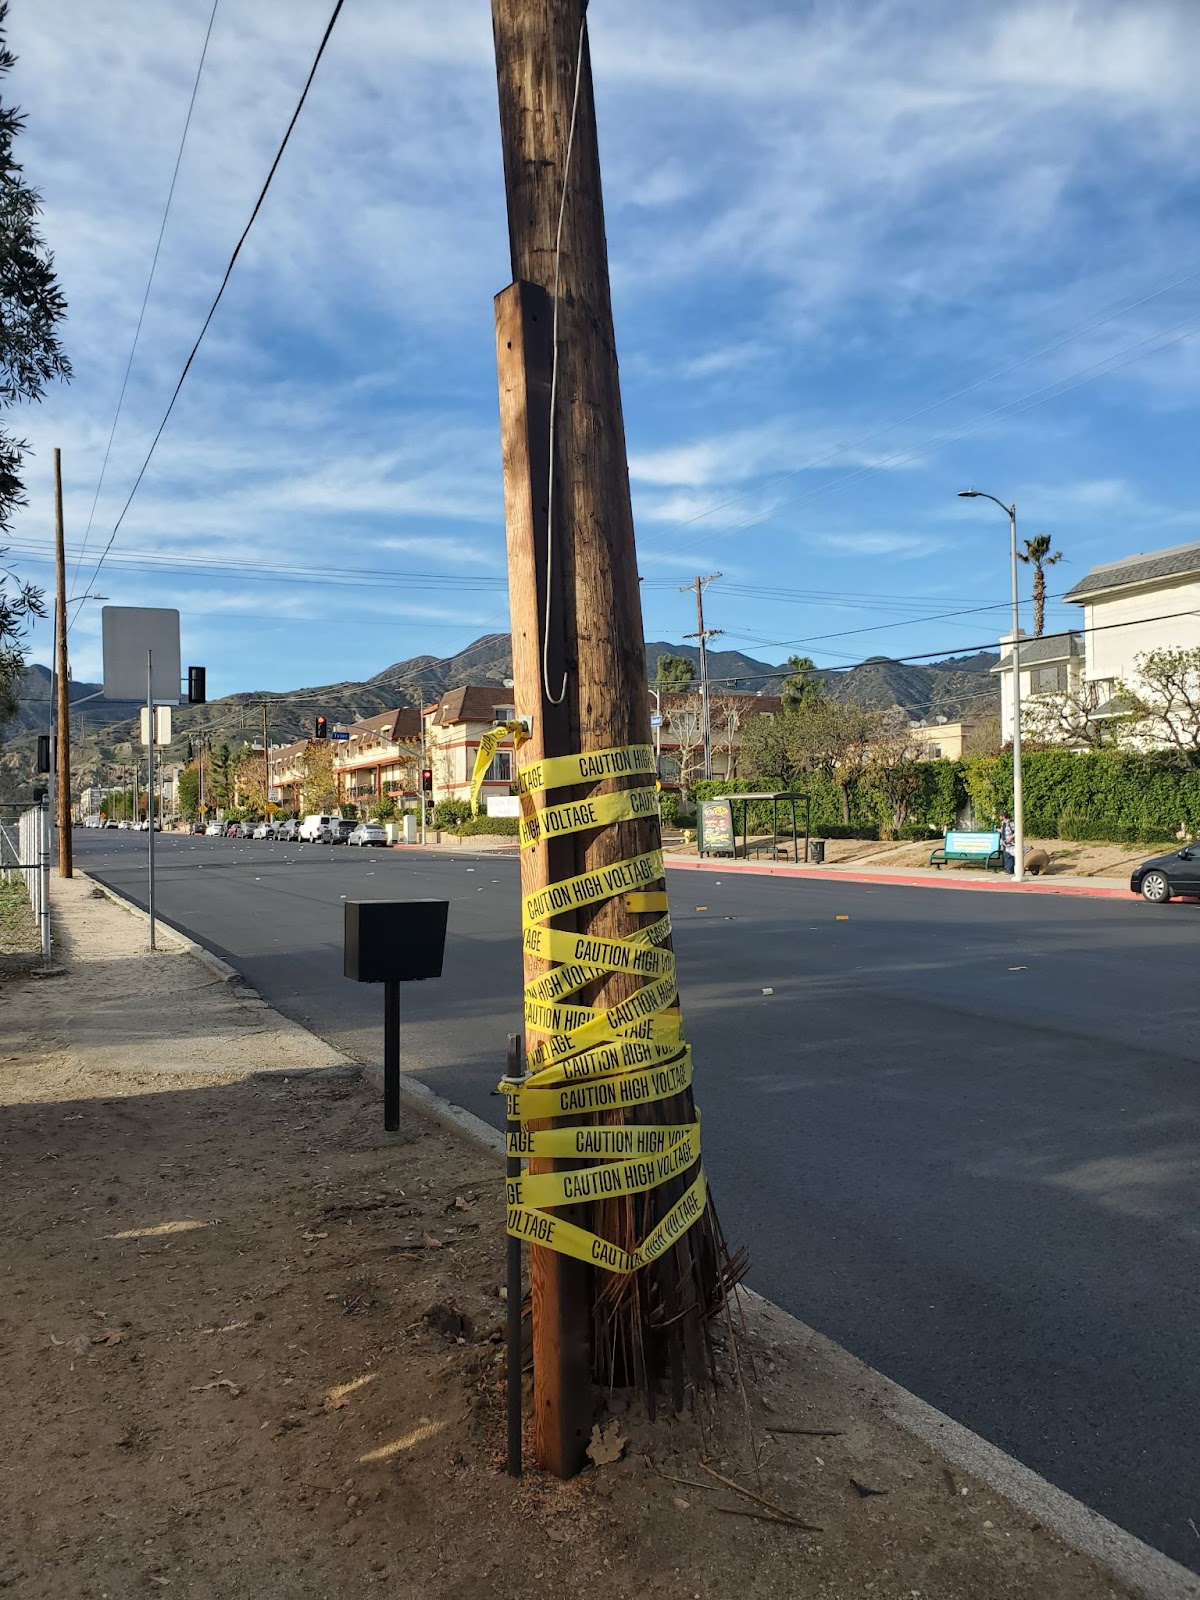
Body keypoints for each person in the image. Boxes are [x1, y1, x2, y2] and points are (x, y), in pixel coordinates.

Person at [999, 810, 1015, 875]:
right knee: (1006, 855)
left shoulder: (1010, 823)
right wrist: (998, 830)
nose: (999, 817)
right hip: (1004, 842)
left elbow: (1017, 831)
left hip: (1011, 842)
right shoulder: (1003, 823)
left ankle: (1010, 869)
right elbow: (1003, 831)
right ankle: (1008, 868)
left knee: (1009, 855)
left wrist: (1011, 837)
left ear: (1003, 816)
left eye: (1000, 816)